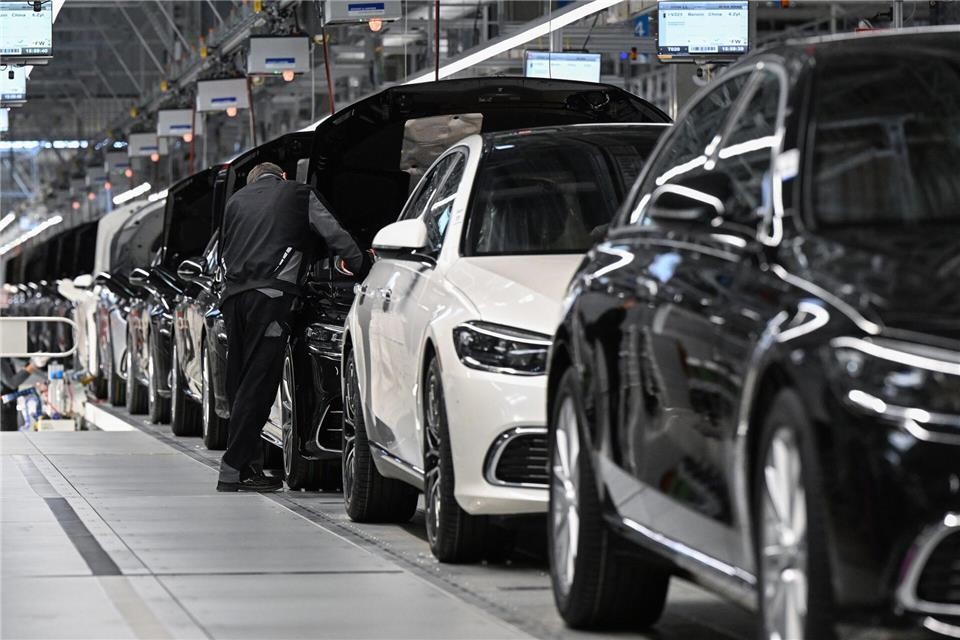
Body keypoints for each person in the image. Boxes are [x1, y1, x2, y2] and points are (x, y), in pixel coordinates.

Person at [216, 162, 368, 492]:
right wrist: (363, 266)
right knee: (259, 381)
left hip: (233, 299)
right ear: (283, 176)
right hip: (271, 297)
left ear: (253, 181)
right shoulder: (299, 193)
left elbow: (224, 250)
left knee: (240, 382)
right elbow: (336, 234)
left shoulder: (236, 201)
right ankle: (231, 469)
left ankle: (247, 467)